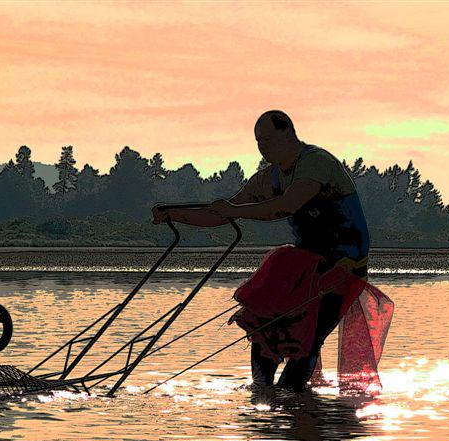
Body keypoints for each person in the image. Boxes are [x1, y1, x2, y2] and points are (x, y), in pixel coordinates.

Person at [152, 109, 371, 390]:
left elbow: (285, 206)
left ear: (288, 133)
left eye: (267, 139)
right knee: (263, 326)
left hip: (343, 267)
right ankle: (265, 396)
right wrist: (173, 215)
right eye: (258, 141)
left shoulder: (315, 162)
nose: (263, 147)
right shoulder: (270, 178)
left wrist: (235, 210)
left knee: (308, 338)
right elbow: (222, 213)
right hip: (306, 264)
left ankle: (288, 394)